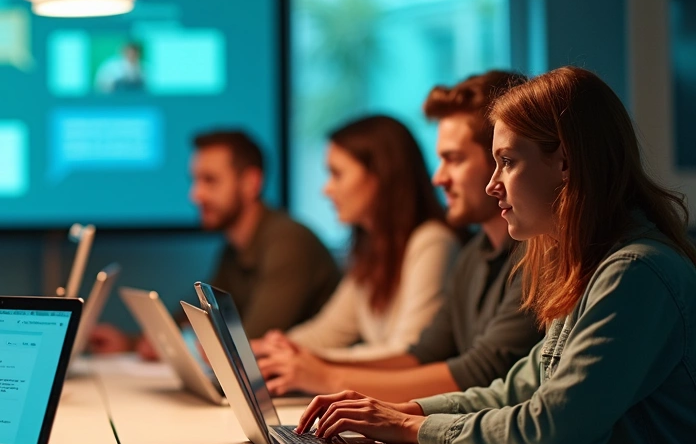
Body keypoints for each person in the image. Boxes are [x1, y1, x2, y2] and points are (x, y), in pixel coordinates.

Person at [300, 66, 696, 444]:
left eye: (507, 161)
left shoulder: (635, 273)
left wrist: (411, 428)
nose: (493, 185)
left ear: (566, 162)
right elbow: (516, 389)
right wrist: (408, 410)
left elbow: (552, 431)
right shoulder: (588, 266)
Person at [255, 72, 542, 400]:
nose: (438, 178)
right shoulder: (475, 253)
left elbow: (479, 372)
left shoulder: (535, 253)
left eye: (454, 159)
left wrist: (327, 376)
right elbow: (421, 355)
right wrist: (298, 360)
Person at [91, 129, 340, 354]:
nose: (195, 195)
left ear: (251, 183)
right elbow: (197, 315)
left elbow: (251, 345)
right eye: (195, 180)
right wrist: (132, 342)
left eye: (210, 180)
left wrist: (182, 346)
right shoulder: (235, 248)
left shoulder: (288, 243)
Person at [259, 116, 461, 363]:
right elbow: (328, 331)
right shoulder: (371, 249)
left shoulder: (432, 242)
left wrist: (305, 360)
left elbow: (408, 350)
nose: (326, 189)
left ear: (380, 175)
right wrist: (271, 348)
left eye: (337, 174)